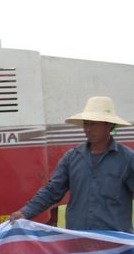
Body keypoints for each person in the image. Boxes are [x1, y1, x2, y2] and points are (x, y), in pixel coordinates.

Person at [10, 96, 134, 232]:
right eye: (86, 124)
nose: (88, 129)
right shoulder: (72, 157)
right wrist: (25, 212)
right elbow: (52, 190)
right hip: (78, 239)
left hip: (114, 240)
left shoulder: (127, 159)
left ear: (109, 125)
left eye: (93, 124)